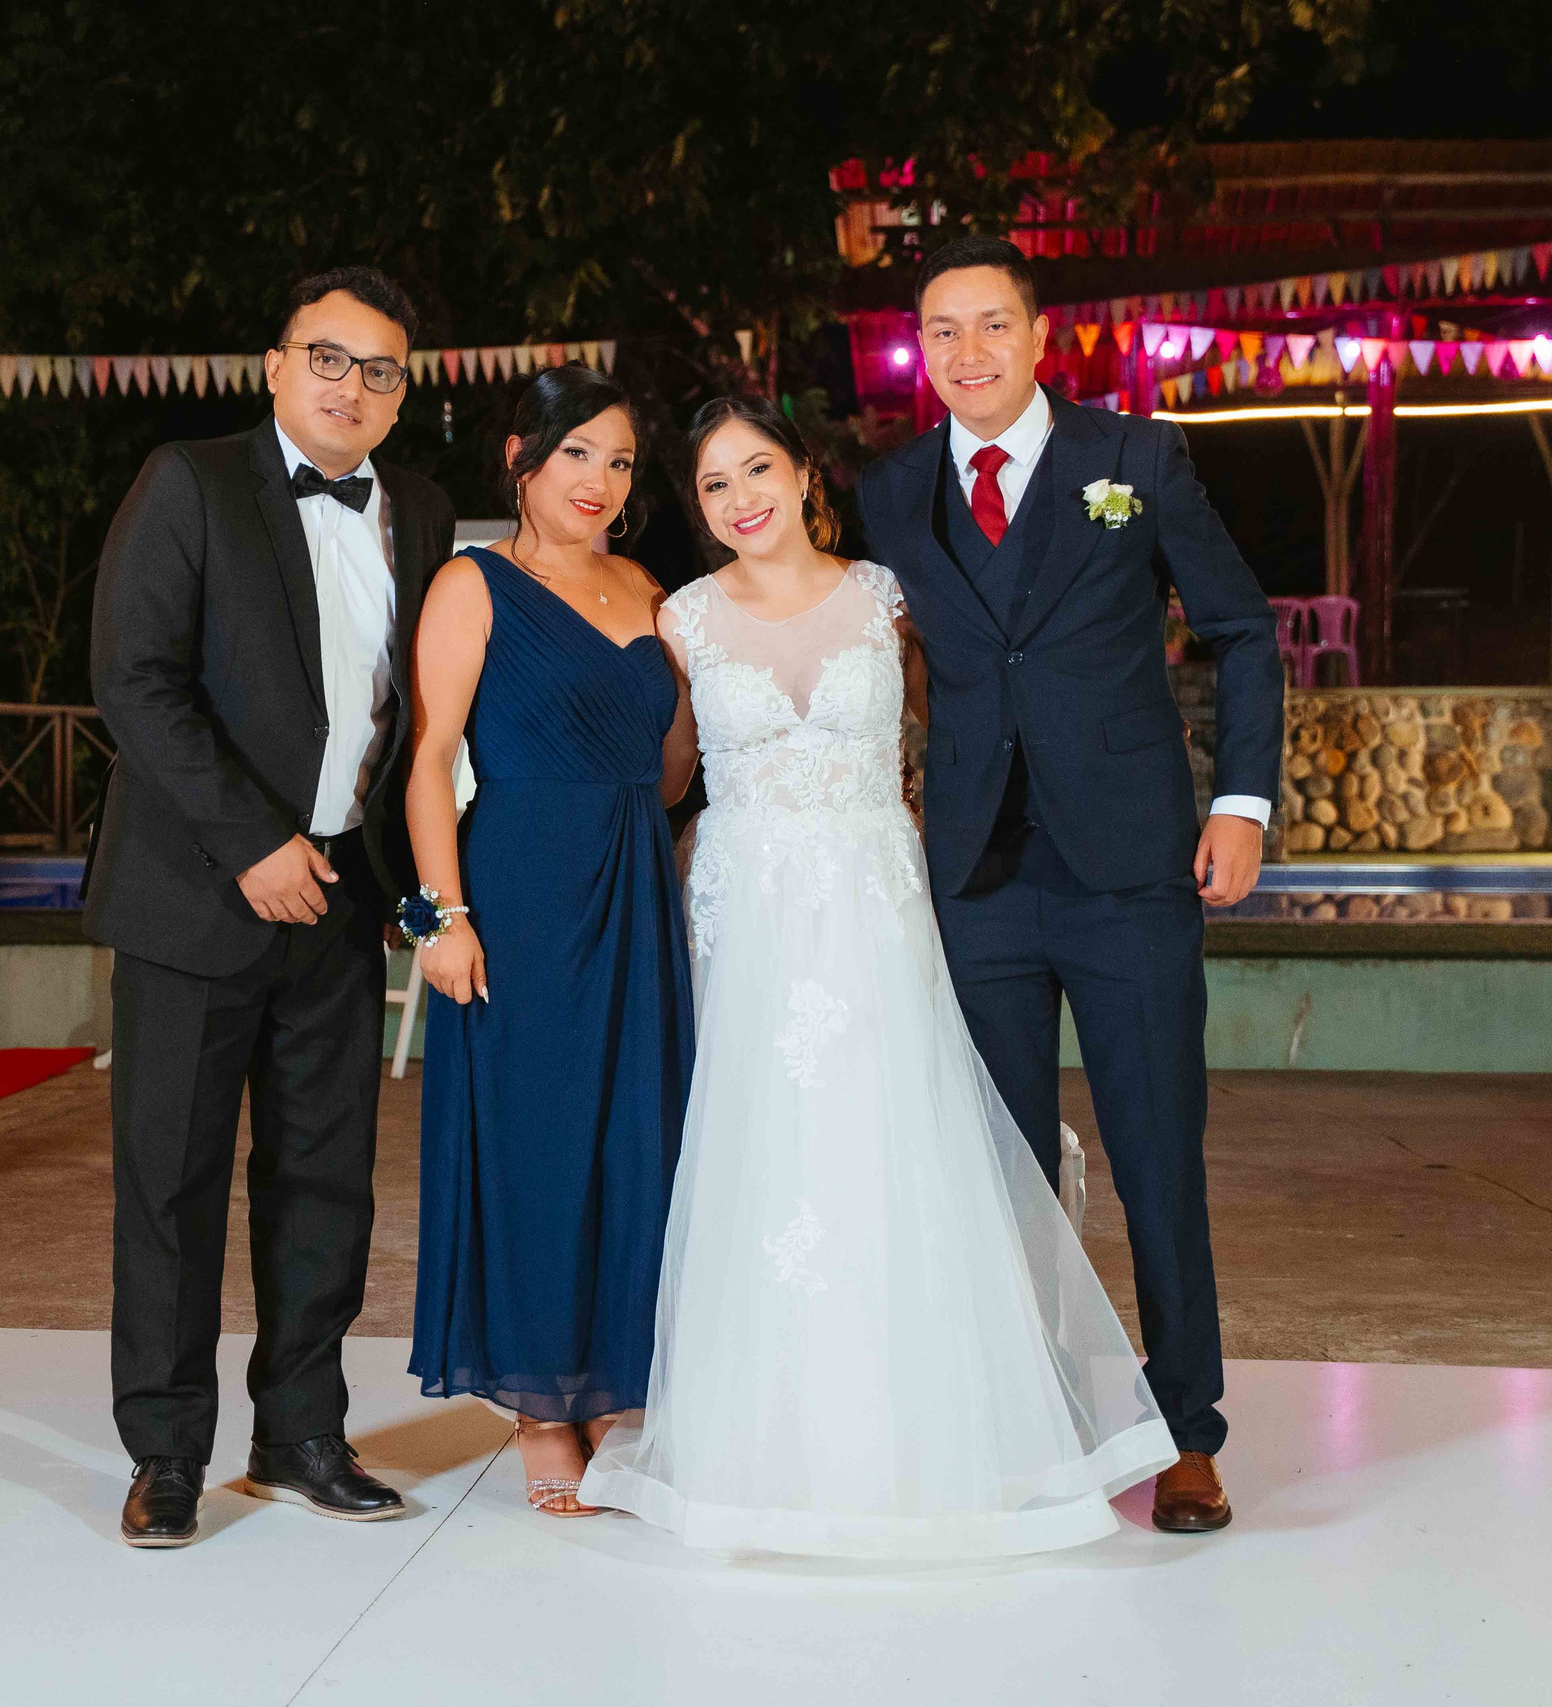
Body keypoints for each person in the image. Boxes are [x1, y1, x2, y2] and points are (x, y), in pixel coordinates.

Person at [576, 395, 1176, 1558]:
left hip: (879, 905)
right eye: (712, 485)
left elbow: (982, 718)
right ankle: (761, 1440)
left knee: (894, 1142)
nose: (739, 498)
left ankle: (933, 1430)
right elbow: (662, 775)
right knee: (764, 1152)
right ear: (695, 510)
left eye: (757, 469)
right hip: (746, 914)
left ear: (806, 476)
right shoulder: (682, 618)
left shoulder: (890, 595)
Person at [854, 236, 1283, 1535]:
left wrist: (1242, 803)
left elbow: (1240, 629)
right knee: (1002, 1163)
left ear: (1038, 337)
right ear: (918, 350)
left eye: (991, 325)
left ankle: (1188, 1429)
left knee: (1158, 1151)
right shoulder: (890, 491)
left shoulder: (1134, 461)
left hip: (1130, 869)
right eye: (943, 331)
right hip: (977, 874)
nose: (968, 351)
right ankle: (1029, 1413)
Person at [85, 267, 455, 1546]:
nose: (352, 387)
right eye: (329, 359)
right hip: (198, 898)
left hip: (344, 904)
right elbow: (132, 680)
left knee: (325, 1183)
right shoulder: (187, 481)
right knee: (172, 1184)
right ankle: (166, 1451)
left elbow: (417, 712)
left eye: (380, 370)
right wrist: (251, 842)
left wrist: (416, 891)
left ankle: (301, 1433)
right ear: (275, 362)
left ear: (403, 397)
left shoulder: (415, 505)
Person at [404, 367, 694, 1518]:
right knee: (535, 1141)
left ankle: (614, 1382)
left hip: (636, 883)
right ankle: (539, 1405)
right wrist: (443, 915)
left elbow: (674, 764)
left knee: (637, 1136)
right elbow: (428, 759)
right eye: (578, 453)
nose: (600, 480)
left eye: (620, 462)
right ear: (522, 458)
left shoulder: (647, 586)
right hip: (517, 888)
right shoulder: (473, 585)